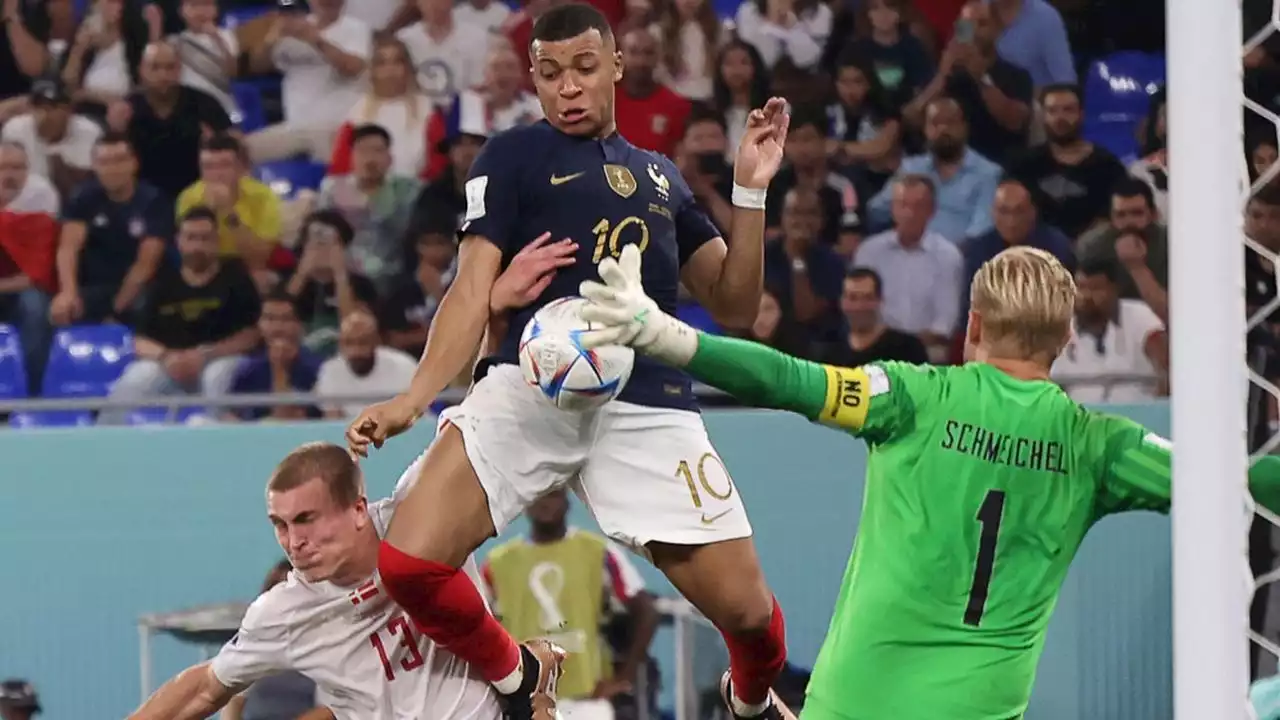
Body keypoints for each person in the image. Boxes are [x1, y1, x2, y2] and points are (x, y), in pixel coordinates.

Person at [574, 243, 1280, 719]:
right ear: (1065, 342)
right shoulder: (1100, 446)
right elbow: (1244, 485)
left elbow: (791, 380)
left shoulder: (912, 396)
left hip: (856, 698)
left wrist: (665, 335)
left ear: (972, 325)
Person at [344, 4, 792, 719]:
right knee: (408, 564)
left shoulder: (660, 178)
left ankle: (750, 701)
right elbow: (467, 291)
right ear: (534, 78)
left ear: (615, 66)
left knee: (751, 619)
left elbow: (736, 304)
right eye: (550, 74)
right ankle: (519, 676)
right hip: (530, 388)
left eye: (584, 69)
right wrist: (413, 399)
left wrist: (751, 189)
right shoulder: (511, 157)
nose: (568, 89)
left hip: (644, 401)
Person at [127, 442, 513, 720]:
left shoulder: (422, 520)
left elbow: (482, 427)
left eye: (307, 519)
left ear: (359, 509)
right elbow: (202, 689)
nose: (294, 543)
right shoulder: (284, 612)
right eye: (280, 525)